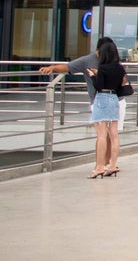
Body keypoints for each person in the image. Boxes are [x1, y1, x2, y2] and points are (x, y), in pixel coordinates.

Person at [41, 37, 126, 179]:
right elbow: (122, 81)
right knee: (114, 134)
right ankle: (111, 165)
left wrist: (94, 75)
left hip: (101, 100)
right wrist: (53, 68)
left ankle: (100, 167)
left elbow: (98, 86)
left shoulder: (103, 68)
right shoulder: (118, 66)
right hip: (115, 100)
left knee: (101, 135)